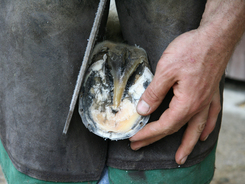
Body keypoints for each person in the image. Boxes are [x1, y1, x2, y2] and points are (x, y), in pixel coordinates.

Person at [0, 0, 244, 183]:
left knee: (167, 169)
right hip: (34, 48)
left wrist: (216, 37)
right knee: (41, 166)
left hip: (178, 40)